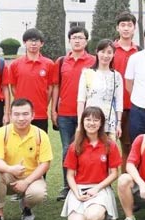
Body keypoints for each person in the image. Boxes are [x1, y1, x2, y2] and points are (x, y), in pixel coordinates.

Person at [0, 98, 53, 220]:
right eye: (16, 114)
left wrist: (26, 182)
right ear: (10, 115)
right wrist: (10, 169)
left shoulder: (40, 135)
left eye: (25, 114)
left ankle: (26, 206)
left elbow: (45, 163)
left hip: (31, 177)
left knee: (38, 193)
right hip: (7, 175)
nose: (21, 118)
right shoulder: (1, 133)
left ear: (33, 115)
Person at [61, 107, 121, 220]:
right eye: (88, 119)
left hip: (100, 189)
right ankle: (87, 216)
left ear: (101, 123)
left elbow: (114, 173)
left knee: (93, 217)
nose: (91, 123)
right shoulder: (75, 146)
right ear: (82, 122)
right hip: (79, 189)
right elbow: (70, 175)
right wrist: (77, 194)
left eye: (96, 120)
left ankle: (95, 216)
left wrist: (96, 188)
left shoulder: (110, 145)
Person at [52, 26, 95, 201]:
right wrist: (53, 110)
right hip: (65, 114)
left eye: (80, 37)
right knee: (67, 150)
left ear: (86, 41)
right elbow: (56, 87)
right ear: (69, 40)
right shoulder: (61, 61)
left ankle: (87, 184)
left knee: (88, 149)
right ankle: (67, 186)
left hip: (88, 114)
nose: (77, 40)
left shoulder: (93, 61)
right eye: (74, 37)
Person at [8, 28, 57, 132]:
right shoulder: (15, 64)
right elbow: (13, 88)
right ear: (24, 43)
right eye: (30, 40)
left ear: (41, 43)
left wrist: (43, 103)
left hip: (40, 113)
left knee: (39, 140)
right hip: (21, 114)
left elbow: (50, 88)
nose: (33, 44)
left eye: (36, 41)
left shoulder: (49, 64)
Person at [77, 39, 124, 141]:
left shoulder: (116, 76)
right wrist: (80, 123)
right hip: (90, 122)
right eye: (102, 52)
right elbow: (81, 100)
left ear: (113, 55)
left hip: (109, 123)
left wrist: (119, 123)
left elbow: (119, 102)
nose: (105, 56)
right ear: (97, 52)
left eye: (109, 52)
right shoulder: (87, 73)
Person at [113, 12, 139, 165]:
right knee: (106, 145)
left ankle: (126, 176)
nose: (126, 28)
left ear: (134, 28)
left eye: (129, 25)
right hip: (111, 106)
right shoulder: (110, 50)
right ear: (117, 28)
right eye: (123, 25)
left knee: (128, 146)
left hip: (131, 106)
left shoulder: (140, 52)